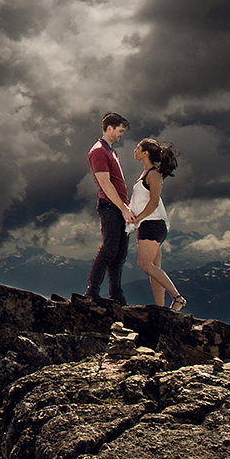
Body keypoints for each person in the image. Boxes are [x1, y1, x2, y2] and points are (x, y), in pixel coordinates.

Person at [128, 138, 185, 312]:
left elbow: (153, 203)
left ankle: (177, 298)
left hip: (152, 224)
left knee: (145, 264)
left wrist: (137, 219)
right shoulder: (146, 174)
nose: (134, 150)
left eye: (138, 147)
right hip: (149, 224)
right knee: (154, 268)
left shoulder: (153, 175)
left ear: (145, 153)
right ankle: (161, 309)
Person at [82, 112, 131, 303]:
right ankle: (92, 290)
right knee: (109, 248)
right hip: (110, 206)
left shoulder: (111, 151)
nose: (121, 134)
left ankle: (116, 294)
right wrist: (122, 207)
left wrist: (124, 208)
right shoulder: (98, 151)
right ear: (109, 128)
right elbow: (105, 184)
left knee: (120, 253)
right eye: (120, 130)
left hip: (118, 207)